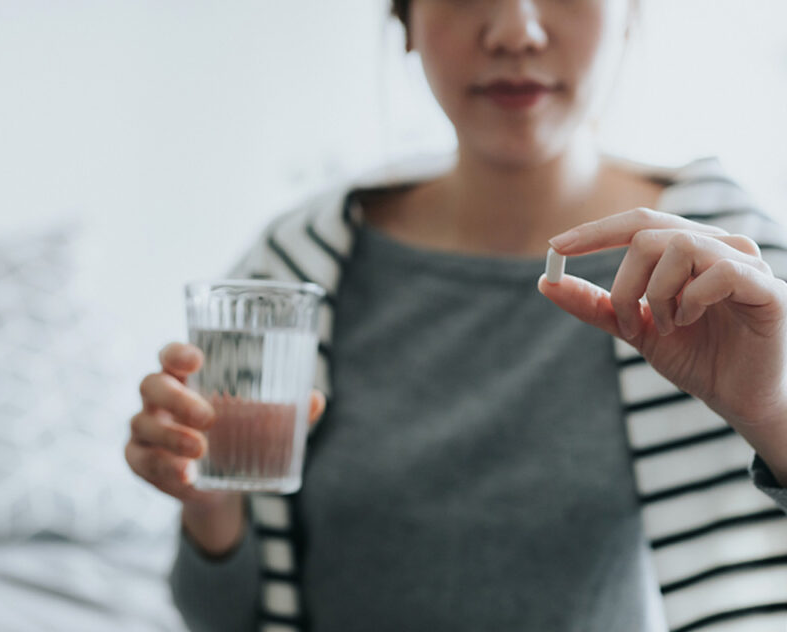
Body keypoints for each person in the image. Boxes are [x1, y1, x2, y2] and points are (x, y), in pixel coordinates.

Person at [125, 0, 787, 629]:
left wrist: (773, 415)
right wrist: (210, 505)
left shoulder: (740, 281)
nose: (515, 32)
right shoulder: (291, 272)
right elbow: (222, 620)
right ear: (405, 18)